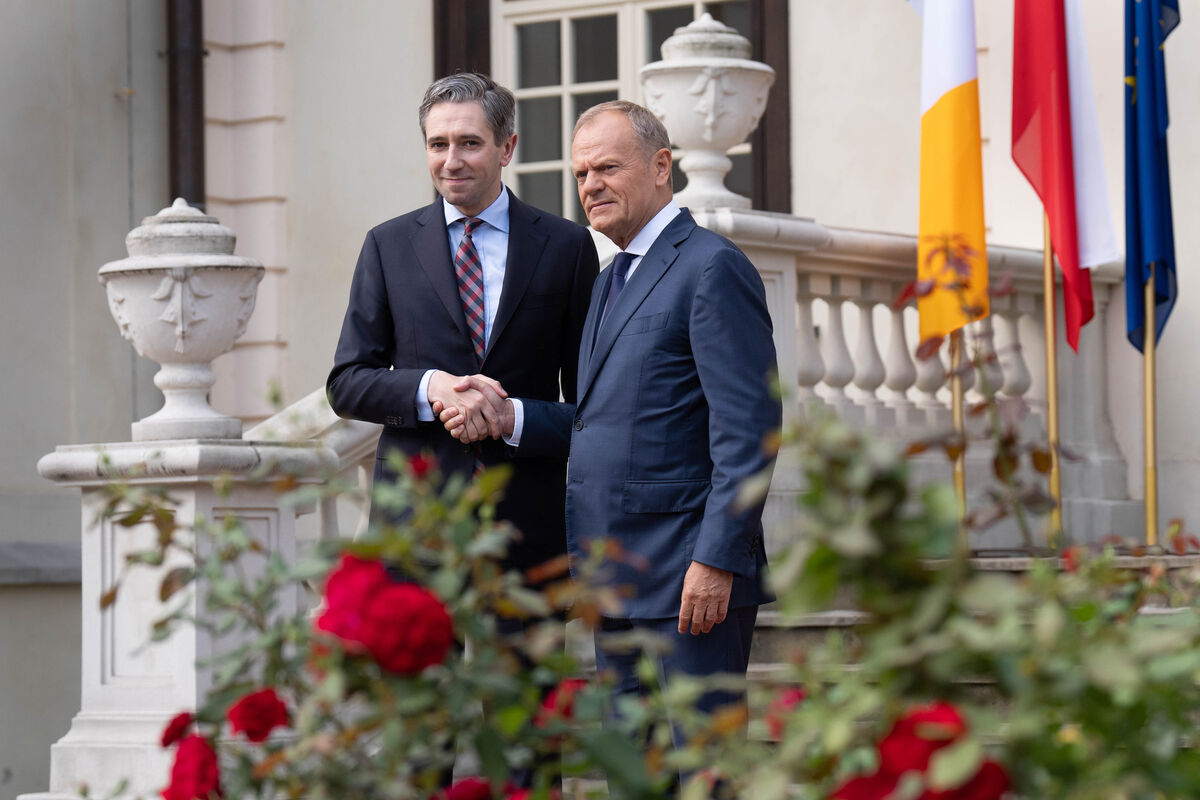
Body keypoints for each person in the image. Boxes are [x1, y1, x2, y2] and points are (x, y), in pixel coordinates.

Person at [441, 100, 780, 732]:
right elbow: (601, 423)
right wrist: (509, 417)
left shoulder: (711, 267)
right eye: (580, 174)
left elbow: (749, 433)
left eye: (607, 168)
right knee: (637, 778)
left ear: (660, 166)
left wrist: (716, 561)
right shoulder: (608, 280)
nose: (590, 185)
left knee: (702, 773)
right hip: (613, 580)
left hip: (687, 582)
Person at [326, 72, 598, 579]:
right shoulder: (387, 246)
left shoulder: (566, 248)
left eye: (469, 143)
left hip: (526, 525)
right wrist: (433, 388)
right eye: (438, 144)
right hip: (415, 522)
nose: (451, 161)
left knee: (527, 664)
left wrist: (510, 415)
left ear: (507, 147)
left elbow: (591, 405)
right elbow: (346, 384)